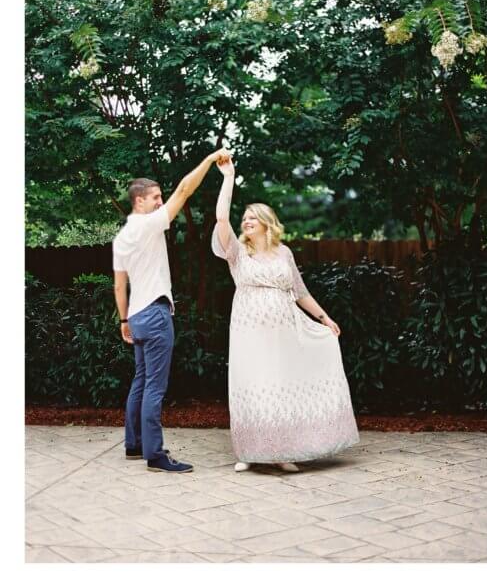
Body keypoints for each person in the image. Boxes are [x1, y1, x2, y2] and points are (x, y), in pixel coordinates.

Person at [212, 155, 359, 473]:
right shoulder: (237, 253)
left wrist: (325, 318)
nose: (246, 221)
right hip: (248, 333)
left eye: (253, 217)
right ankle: (250, 451)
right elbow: (222, 219)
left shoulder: (284, 253)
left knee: (279, 385)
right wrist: (228, 177)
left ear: (267, 221)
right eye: (245, 218)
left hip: (284, 331)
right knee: (252, 385)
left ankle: (281, 451)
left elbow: (300, 292)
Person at [114, 147, 232, 473]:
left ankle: (134, 444)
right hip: (154, 314)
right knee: (155, 387)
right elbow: (184, 190)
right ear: (140, 201)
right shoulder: (148, 224)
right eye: (155, 197)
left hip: (137, 315)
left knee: (140, 380)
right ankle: (155, 455)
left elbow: (119, 285)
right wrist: (210, 160)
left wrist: (124, 319)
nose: (160, 202)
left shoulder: (123, 237)